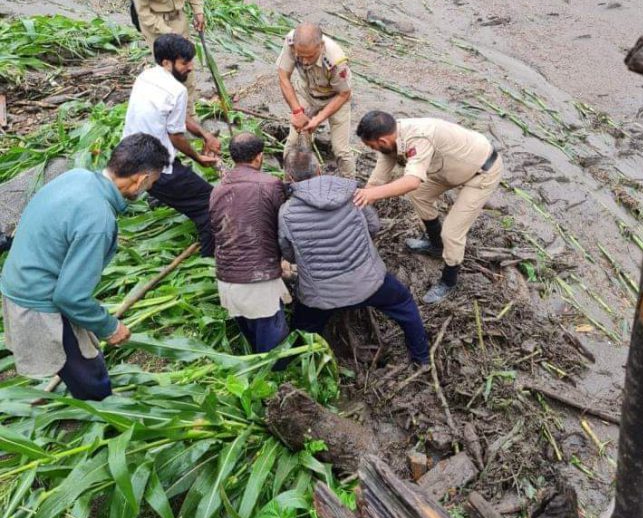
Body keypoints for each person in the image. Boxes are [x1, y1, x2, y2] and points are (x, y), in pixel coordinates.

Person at [0, 133, 169, 400]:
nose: (150, 188)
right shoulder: (98, 220)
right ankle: (102, 409)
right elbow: (70, 297)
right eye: (152, 182)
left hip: (20, 275)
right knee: (90, 377)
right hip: (38, 299)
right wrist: (111, 327)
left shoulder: (76, 176)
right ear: (140, 179)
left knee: (83, 355)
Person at [278, 148, 430, 365]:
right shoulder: (350, 192)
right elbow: (373, 226)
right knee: (404, 304)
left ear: (290, 178)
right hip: (368, 282)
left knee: (301, 331)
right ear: (319, 170)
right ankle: (422, 359)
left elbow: (289, 254)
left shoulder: (286, 213)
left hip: (322, 295)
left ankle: (292, 368)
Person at [354, 112, 503, 305]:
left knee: (452, 232)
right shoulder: (389, 143)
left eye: (372, 146)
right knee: (419, 195)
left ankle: (449, 281)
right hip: (449, 168)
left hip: (481, 172)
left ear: (382, 141)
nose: (373, 150)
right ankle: (436, 244)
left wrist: (372, 195)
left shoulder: (418, 138)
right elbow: (376, 181)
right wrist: (357, 206)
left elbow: (411, 181)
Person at [123, 34, 221, 256]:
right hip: (156, 167)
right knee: (210, 205)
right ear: (167, 62)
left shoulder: (145, 76)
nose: (190, 67)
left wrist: (204, 134)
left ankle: (158, 195)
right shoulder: (178, 90)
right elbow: (176, 135)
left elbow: (175, 116)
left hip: (129, 153)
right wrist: (198, 157)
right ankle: (209, 259)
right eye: (185, 63)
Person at [209, 132, 289, 353]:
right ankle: (276, 373)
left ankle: (256, 367)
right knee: (273, 348)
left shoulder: (217, 190)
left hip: (227, 278)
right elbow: (284, 227)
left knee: (251, 333)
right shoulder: (271, 184)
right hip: (260, 280)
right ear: (259, 156)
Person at [277, 22, 355, 178]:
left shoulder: (336, 61)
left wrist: (317, 119)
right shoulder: (291, 41)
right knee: (292, 143)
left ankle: (350, 185)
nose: (305, 62)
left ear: (321, 46)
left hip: (334, 97)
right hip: (307, 92)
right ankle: (288, 181)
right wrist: (297, 112)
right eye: (300, 56)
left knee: (341, 150)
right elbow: (283, 76)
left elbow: (344, 94)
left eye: (310, 56)